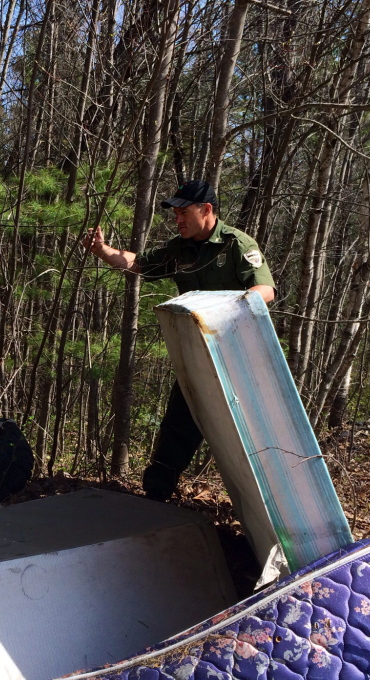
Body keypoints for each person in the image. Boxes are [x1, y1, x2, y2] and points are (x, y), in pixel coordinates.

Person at [83, 180, 275, 501]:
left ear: (207, 210)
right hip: (199, 356)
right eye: (175, 214)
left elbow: (264, 290)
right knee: (178, 426)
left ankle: (268, 503)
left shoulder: (236, 245)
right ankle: (156, 496)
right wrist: (103, 250)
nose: (178, 220)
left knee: (252, 436)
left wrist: (225, 310)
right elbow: (139, 263)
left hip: (239, 358)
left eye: (184, 212)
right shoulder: (179, 249)